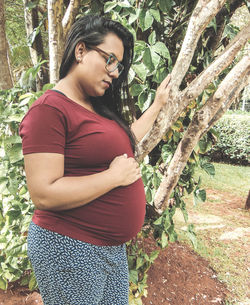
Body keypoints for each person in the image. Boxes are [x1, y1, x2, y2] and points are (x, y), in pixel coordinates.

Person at [19, 15, 171, 305]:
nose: (114, 72)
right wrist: (113, 177)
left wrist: (159, 105)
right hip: (69, 244)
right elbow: (44, 193)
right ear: (80, 51)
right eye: (109, 59)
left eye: (119, 65)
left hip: (109, 248)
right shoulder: (49, 110)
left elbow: (127, 140)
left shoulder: (95, 108)